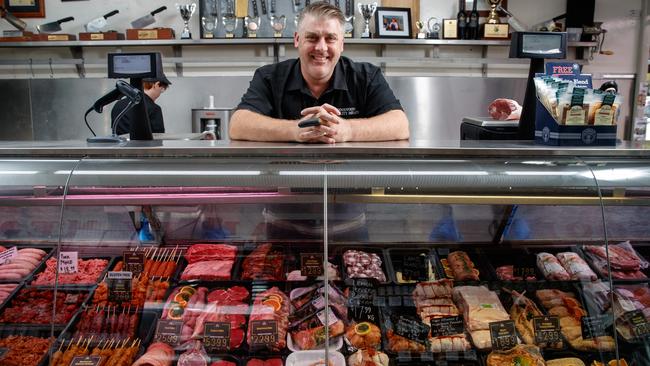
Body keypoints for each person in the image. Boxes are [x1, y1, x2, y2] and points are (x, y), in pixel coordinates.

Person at [229, 1, 409, 143]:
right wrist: (295, 130)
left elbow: (400, 125)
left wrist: (348, 130)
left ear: (341, 44)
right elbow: (238, 125)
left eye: (330, 38)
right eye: (312, 37)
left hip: (351, 182)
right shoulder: (269, 77)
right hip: (287, 182)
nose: (321, 47)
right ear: (297, 40)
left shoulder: (366, 76)